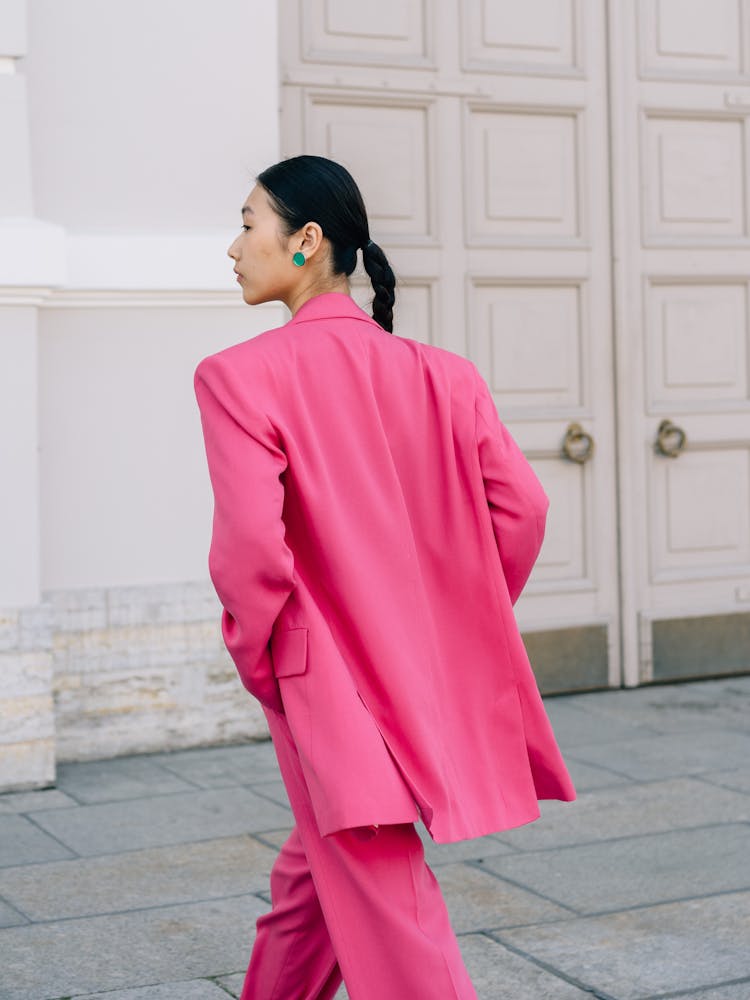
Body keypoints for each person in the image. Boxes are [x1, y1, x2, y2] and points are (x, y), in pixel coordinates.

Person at [194, 154, 576, 1000]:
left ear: (306, 240)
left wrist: (265, 664)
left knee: (383, 897)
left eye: (248, 223)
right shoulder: (446, 374)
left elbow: (250, 553)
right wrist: (454, 614)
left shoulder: (239, 376)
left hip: (319, 673)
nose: (233, 246)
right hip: (410, 662)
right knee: (319, 871)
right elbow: (524, 510)